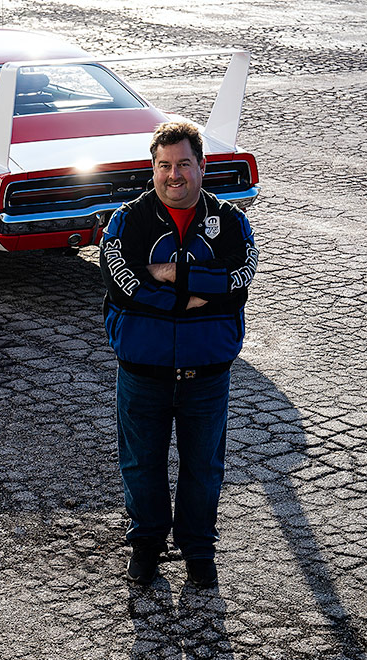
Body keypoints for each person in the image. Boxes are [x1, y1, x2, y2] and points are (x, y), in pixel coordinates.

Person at [99, 120, 258, 587]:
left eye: (184, 164)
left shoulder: (230, 221)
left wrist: (170, 275)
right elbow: (122, 287)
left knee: (204, 468)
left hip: (206, 374)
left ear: (201, 166)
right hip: (142, 373)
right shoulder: (126, 220)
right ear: (152, 168)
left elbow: (238, 282)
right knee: (140, 465)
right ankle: (146, 546)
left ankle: (198, 552)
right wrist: (190, 294)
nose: (174, 175)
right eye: (164, 165)